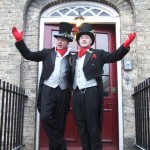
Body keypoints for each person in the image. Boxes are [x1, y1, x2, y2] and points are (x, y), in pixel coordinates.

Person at [71, 23, 136, 150]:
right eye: (82, 37)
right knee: (81, 125)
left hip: (91, 93)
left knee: (93, 126)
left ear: (91, 41)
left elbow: (114, 56)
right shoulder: (73, 57)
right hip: (77, 94)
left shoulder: (98, 53)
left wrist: (126, 44)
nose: (84, 39)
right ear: (78, 41)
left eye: (87, 37)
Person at [12, 22, 74, 150]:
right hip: (48, 89)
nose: (59, 42)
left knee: (60, 123)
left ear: (68, 42)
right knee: (46, 117)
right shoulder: (47, 53)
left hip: (63, 92)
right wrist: (20, 41)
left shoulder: (72, 58)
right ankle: (61, 145)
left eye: (63, 40)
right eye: (58, 39)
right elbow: (29, 55)